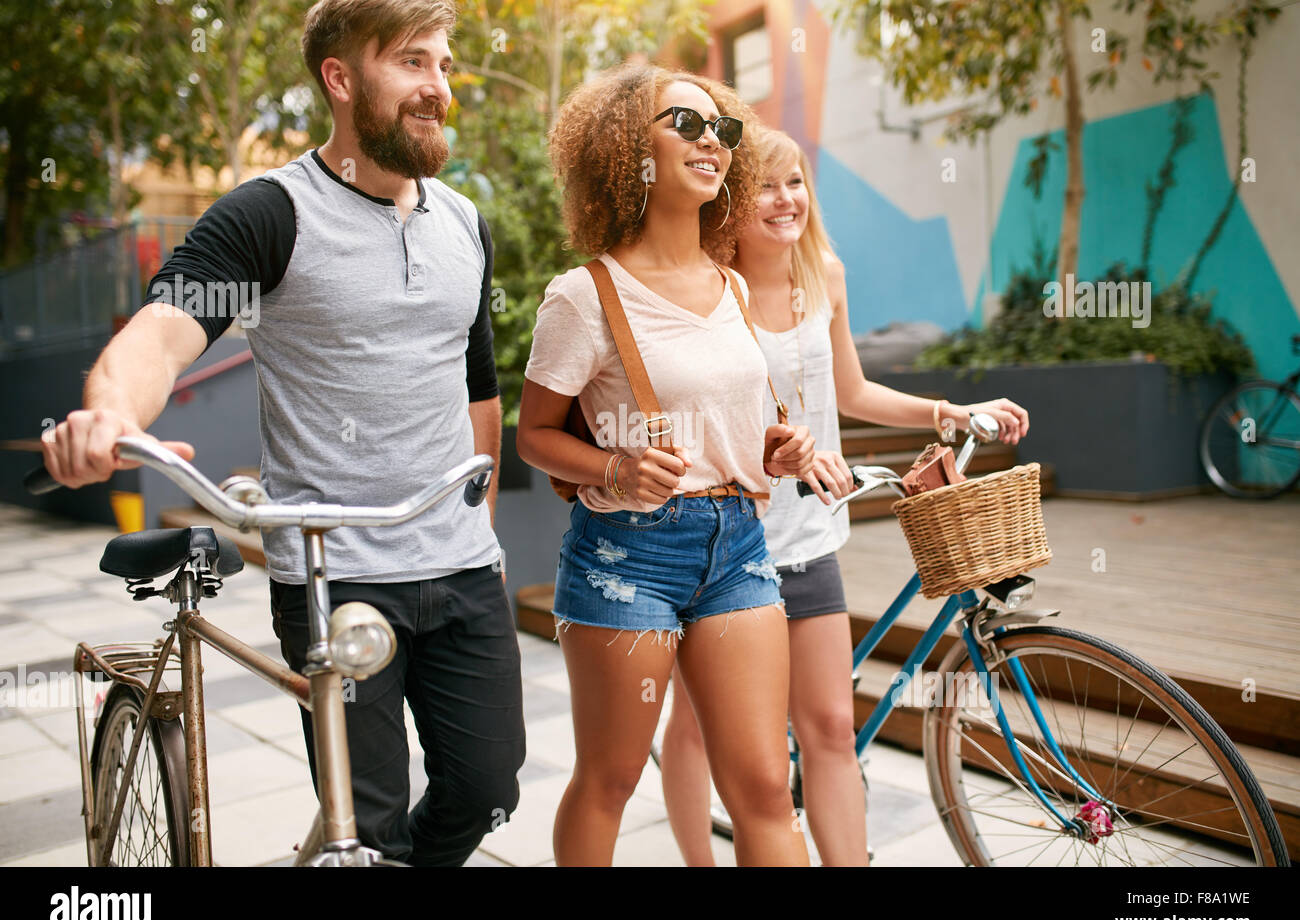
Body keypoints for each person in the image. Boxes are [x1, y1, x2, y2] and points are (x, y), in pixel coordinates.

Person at [39, 0, 525, 866]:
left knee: (488, 788)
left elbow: (475, 386)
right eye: (414, 63)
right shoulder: (273, 217)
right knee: (362, 834)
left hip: (459, 565)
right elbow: (161, 334)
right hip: (337, 572)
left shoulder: (461, 222)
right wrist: (109, 413)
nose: (439, 87)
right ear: (340, 79)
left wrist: (480, 534)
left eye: (444, 65)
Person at [657, 125, 1030, 866]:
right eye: (764, 183)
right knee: (701, 726)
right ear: (731, 198)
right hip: (723, 540)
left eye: (795, 181)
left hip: (810, 538)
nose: (785, 198)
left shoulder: (823, 271)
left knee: (829, 725)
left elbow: (850, 389)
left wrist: (943, 412)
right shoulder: (703, 285)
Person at [516, 64, 831, 866]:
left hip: (739, 543)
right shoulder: (583, 297)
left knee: (764, 786)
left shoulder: (730, 285)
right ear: (628, 148)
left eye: (721, 129)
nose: (711, 142)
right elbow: (534, 438)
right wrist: (614, 470)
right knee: (611, 778)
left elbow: (737, 416)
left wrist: (777, 446)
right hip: (629, 554)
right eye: (682, 123)